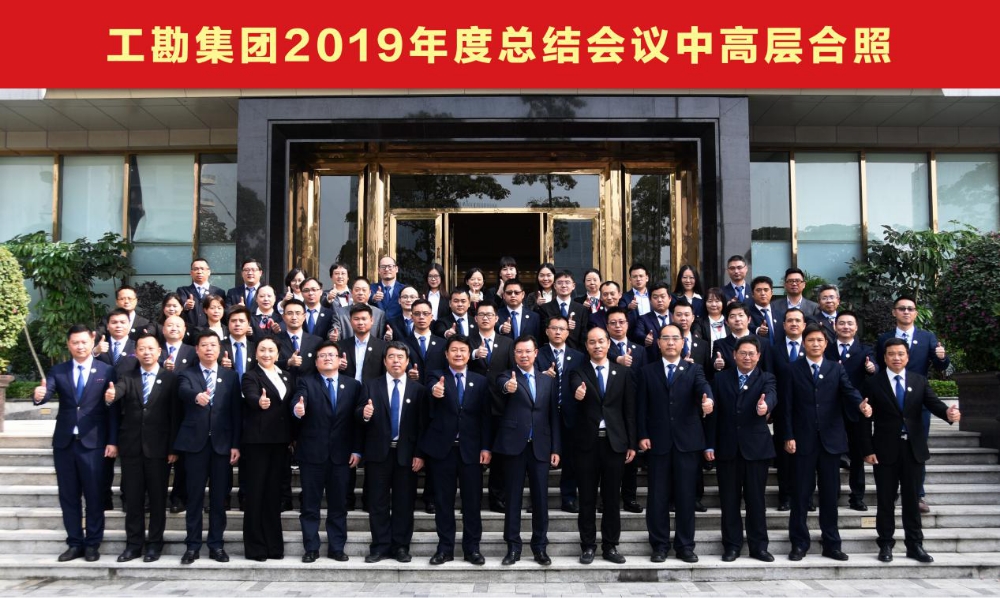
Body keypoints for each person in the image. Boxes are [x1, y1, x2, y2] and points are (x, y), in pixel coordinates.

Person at [861, 338, 961, 564]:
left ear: (907, 357)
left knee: (912, 499)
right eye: (891, 354)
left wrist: (949, 414)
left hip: (913, 450)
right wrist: (867, 449)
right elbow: (865, 419)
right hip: (884, 450)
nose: (896, 358)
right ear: (884, 357)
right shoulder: (873, 383)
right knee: (885, 500)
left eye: (900, 354)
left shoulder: (919, 380)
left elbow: (935, 405)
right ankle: (885, 543)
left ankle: (915, 545)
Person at [782, 324, 870, 562]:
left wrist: (860, 404)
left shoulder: (835, 368)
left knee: (830, 495)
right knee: (800, 495)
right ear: (804, 343)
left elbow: (849, 391)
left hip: (831, 441)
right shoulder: (792, 369)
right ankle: (799, 544)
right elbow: (786, 406)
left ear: (826, 344)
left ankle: (831, 543)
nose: (815, 344)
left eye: (819, 340)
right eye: (810, 340)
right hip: (802, 441)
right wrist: (788, 435)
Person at [32, 324, 119, 562]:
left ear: (92, 342)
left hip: (95, 443)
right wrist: (39, 396)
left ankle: (92, 544)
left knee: (94, 496)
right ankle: (74, 543)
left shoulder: (107, 371)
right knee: (68, 496)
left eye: (84, 342)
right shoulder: (59, 370)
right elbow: (46, 392)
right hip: (65, 443)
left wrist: (113, 441)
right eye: (75, 343)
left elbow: (113, 409)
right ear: (68, 345)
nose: (80, 346)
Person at [637, 323, 714, 563]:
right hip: (657, 443)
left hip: (687, 444)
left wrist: (708, 400)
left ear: (683, 343)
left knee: (686, 497)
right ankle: (659, 545)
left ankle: (685, 546)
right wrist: (642, 434)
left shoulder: (694, 370)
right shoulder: (647, 371)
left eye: (675, 338)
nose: (670, 342)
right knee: (657, 497)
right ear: (658, 343)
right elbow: (641, 407)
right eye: (666, 338)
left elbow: (704, 389)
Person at [566, 327, 636, 564]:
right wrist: (578, 393)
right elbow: (574, 389)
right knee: (586, 498)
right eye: (592, 342)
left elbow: (629, 410)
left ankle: (610, 546)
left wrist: (631, 443)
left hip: (614, 443)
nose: (597, 346)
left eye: (601, 341)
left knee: (612, 498)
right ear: (586, 346)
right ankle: (587, 546)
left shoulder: (622, 372)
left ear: (608, 344)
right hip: (587, 444)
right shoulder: (578, 371)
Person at [106, 332, 178, 563]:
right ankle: (133, 545)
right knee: (134, 500)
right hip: (132, 448)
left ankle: (155, 544)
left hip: (159, 449)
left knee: (157, 499)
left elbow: (174, 416)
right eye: (142, 349)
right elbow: (118, 390)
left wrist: (173, 448)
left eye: (151, 348)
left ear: (159, 352)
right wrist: (111, 395)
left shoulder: (170, 378)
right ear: (135, 353)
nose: (146, 353)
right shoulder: (127, 377)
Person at [703, 336, 777, 562]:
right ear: (734, 355)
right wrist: (709, 444)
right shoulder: (720, 379)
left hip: (756, 450)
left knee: (756, 500)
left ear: (758, 356)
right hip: (727, 448)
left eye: (751, 353)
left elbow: (772, 396)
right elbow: (713, 415)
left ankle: (759, 547)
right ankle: (732, 546)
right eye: (742, 353)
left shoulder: (766, 378)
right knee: (729, 500)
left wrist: (765, 406)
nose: (747, 357)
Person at [875, 294, 950, 513]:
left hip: (917, 404)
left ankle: (917, 494)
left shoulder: (927, 337)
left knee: (917, 449)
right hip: (890, 405)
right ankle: (891, 491)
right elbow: (879, 366)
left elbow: (941, 366)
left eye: (910, 308)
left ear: (916, 313)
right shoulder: (884, 338)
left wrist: (942, 357)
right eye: (902, 308)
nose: (906, 312)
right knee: (890, 447)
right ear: (894, 312)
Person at [421, 336, 492, 565]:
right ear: (446, 354)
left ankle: (472, 549)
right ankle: (445, 549)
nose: (458, 354)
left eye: (463, 350)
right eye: (454, 350)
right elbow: (432, 389)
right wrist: (436, 390)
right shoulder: (435, 375)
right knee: (443, 502)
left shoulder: (480, 381)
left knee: (472, 502)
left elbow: (485, 417)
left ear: (470, 354)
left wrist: (486, 447)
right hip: (443, 450)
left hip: (471, 450)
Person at [174, 330, 242, 565]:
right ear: (197, 349)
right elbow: (182, 391)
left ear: (220, 349)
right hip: (195, 445)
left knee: (218, 499)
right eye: (204, 345)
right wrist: (196, 396)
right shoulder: (187, 374)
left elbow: (235, 412)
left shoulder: (231, 376)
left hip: (222, 446)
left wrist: (235, 444)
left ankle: (216, 545)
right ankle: (192, 546)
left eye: (213, 345)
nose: (209, 349)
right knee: (194, 498)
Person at [358, 342, 428, 563]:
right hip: (378, 453)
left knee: (404, 503)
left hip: (406, 455)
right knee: (377, 502)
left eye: (400, 357)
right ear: (384, 361)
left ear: (407, 362)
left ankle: (401, 546)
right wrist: (364, 413)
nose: (396, 360)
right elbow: (358, 415)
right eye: (391, 356)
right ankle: (379, 546)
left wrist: (420, 453)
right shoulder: (371, 385)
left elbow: (423, 425)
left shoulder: (419, 390)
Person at [495, 336, 562, 566]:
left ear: (536, 353)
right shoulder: (506, 376)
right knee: (513, 499)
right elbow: (502, 386)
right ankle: (513, 547)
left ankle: (540, 547)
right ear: (514, 354)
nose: (524, 355)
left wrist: (556, 448)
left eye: (528, 351)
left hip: (541, 447)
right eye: (519, 352)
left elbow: (553, 416)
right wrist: (508, 387)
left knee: (540, 500)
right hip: (514, 447)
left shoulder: (547, 381)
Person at [293, 342, 363, 562]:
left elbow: (356, 422)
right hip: (312, 455)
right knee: (310, 505)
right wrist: (298, 409)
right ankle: (311, 548)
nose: (327, 358)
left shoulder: (353, 385)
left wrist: (357, 450)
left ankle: (337, 547)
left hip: (342, 455)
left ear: (340, 360)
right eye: (322, 355)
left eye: (331, 355)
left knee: (338, 505)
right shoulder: (306, 382)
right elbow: (298, 401)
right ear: (316, 362)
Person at [240, 337, 293, 561]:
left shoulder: (286, 375)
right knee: (255, 494)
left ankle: (274, 546)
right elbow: (251, 395)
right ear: (256, 353)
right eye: (262, 350)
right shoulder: (250, 376)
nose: (267, 354)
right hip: (258, 443)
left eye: (271, 350)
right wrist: (258, 402)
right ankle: (256, 547)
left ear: (278, 354)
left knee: (273, 494)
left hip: (280, 442)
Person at [467, 301, 516, 513]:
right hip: (472, 405)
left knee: (498, 456)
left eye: (489, 315)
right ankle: (473, 500)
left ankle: (497, 499)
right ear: (475, 319)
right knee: (473, 456)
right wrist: (473, 355)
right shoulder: (467, 341)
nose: (485, 318)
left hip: (499, 406)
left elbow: (513, 372)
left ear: (496, 318)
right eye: (481, 315)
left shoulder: (507, 343)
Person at [828, 310, 879, 511]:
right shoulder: (827, 349)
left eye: (850, 323)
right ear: (835, 326)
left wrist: (872, 368)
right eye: (841, 323)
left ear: (856, 327)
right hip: (830, 409)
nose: (846, 327)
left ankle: (857, 497)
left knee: (857, 456)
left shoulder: (865, 350)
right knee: (831, 455)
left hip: (857, 409)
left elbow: (875, 368)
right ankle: (831, 495)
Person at [535, 314, 586, 513]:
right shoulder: (538, 353)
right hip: (543, 414)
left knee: (570, 459)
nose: (558, 332)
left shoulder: (578, 356)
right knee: (540, 459)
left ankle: (569, 498)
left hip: (570, 414)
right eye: (554, 328)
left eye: (562, 329)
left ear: (568, 332)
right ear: (547, 331)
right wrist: (541, 376)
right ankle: (538, 501)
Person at [605, 306, 647, 514]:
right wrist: (617, 360)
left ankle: (629, 497)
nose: (618, 326)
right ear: (607, 326)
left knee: (632, 455)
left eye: (621, 322)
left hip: (633, 409)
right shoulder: (603, 348)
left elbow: (645, 380)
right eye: (613, 323)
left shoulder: (640, 350)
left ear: (628, 324)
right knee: (609, 456)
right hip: (610, 409)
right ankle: (606, 499)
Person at [537, 270, 588, 351]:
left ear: (573, 286)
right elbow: (543, 334)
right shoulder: (545, 308)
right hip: (551, 352)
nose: (563, 286)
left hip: (576, 353)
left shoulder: (581, 309)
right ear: (554, 286)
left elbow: (584, 336)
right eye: (560, 283)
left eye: (567, 282)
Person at [274, 299, 322, 378]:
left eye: (298, 313)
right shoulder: (275, 341)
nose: (294, 317)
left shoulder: (316, 341)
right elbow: (269, 364)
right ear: (283, 317)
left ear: (304, 316)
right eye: (290, 313)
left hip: (309, 384)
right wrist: (288, 362)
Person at [177, 258, 226, 330]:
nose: (199, 272)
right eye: (196, 269)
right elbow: (179, 308)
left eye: (202, 269)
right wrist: (186, 306)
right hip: (190, 331)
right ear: (191, 273)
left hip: (211, 331)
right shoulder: (183, 291)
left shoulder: (219, 292)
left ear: (209, 272)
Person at [630, 282, 672, 349]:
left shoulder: (676, 318)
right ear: (650, 300)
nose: (659, 300)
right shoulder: (643, 319)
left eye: (663, 296)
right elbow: (637, 333)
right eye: (655, 297)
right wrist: (645, 338)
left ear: (670, 298)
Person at [747, 276, 783, 347]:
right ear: (752, 294)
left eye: (766, 290)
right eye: (758, 290)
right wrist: (757, 330)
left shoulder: (780, 313)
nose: (763, 293)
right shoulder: (747, 313)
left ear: (771, 293)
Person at [370, 256, 406, 321]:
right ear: (378, 270)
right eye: (383, 267)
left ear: (396, 269)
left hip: (398, 326)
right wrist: (373, 298)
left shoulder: (404, 289)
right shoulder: (371, 288)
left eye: (390, 266)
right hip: (376, 324)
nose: (386, 269)